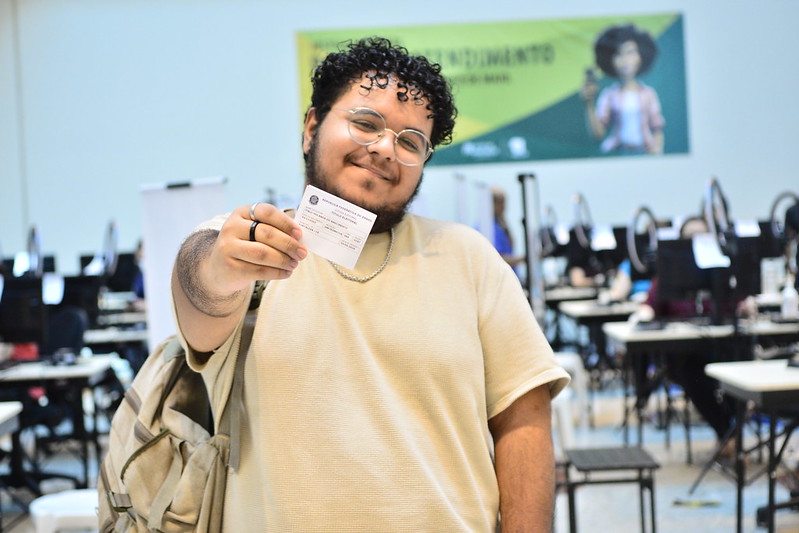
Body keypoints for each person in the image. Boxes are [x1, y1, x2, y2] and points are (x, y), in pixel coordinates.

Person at [170, 37, 569, 532]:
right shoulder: (248, 248)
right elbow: (200, 294)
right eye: (365, 123)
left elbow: (524, 420)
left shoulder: (468, 257)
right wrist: (219, 266)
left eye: (410, 142)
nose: (384, 149)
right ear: (312, 128)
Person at [582, 24, 665, 155]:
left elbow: (657, 128)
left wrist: (657, 149)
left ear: (640, 56)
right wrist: (589, 102)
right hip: (617, 152)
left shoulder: (648, 94)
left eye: (630, 52)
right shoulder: (609, 95)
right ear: (611, 60)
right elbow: (598, 134)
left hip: (644, 152)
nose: (625, 60)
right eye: (618, 54)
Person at [488, 187, 525, 274]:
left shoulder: (500, 223)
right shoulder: (488, 227)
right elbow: (497, 259)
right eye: (500, 203)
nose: (504, 207)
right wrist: (524, 258)